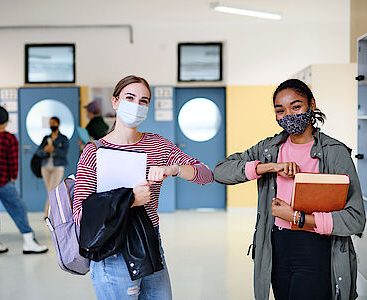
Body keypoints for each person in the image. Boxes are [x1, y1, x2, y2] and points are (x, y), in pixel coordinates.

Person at [214, 79, 366, 300]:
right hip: (276, 248)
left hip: (316, 249)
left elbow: (355, 219)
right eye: (280, 110)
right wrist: (268, 167)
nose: (289, 115)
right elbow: (220, 171)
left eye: (296, 106)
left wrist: (297, 217)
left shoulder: (335, 152)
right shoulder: (269, 149)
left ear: (312, 105)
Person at [73, 75, 214, 299]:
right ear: (115, 102)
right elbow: (81, 215)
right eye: (130, 98)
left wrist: (173, 169)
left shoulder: (158, 145)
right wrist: (129, 200)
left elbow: (206, 175)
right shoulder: (94, 152)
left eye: (143, 101)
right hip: (112, 250)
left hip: (150, 242)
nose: (137, 105)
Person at [0, 105, 48, 256]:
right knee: (19, 209)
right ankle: (29, 242)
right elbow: (12, 162)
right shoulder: (9, 138)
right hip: (3, 182)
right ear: (6, 120)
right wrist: (13, 176)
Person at [35, 116, 69, 217]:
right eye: (50, 123)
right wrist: (45, 150)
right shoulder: (46, 138)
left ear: (58, 124)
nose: (52, 125)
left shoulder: (63, 139)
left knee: (52, 190)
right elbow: (38, 152)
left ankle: (47, 213)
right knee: (50, 190)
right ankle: (52, 213)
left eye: (53, 123)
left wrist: (53, 149)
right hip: (45, 167)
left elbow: (64, 153)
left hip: (57, 168)